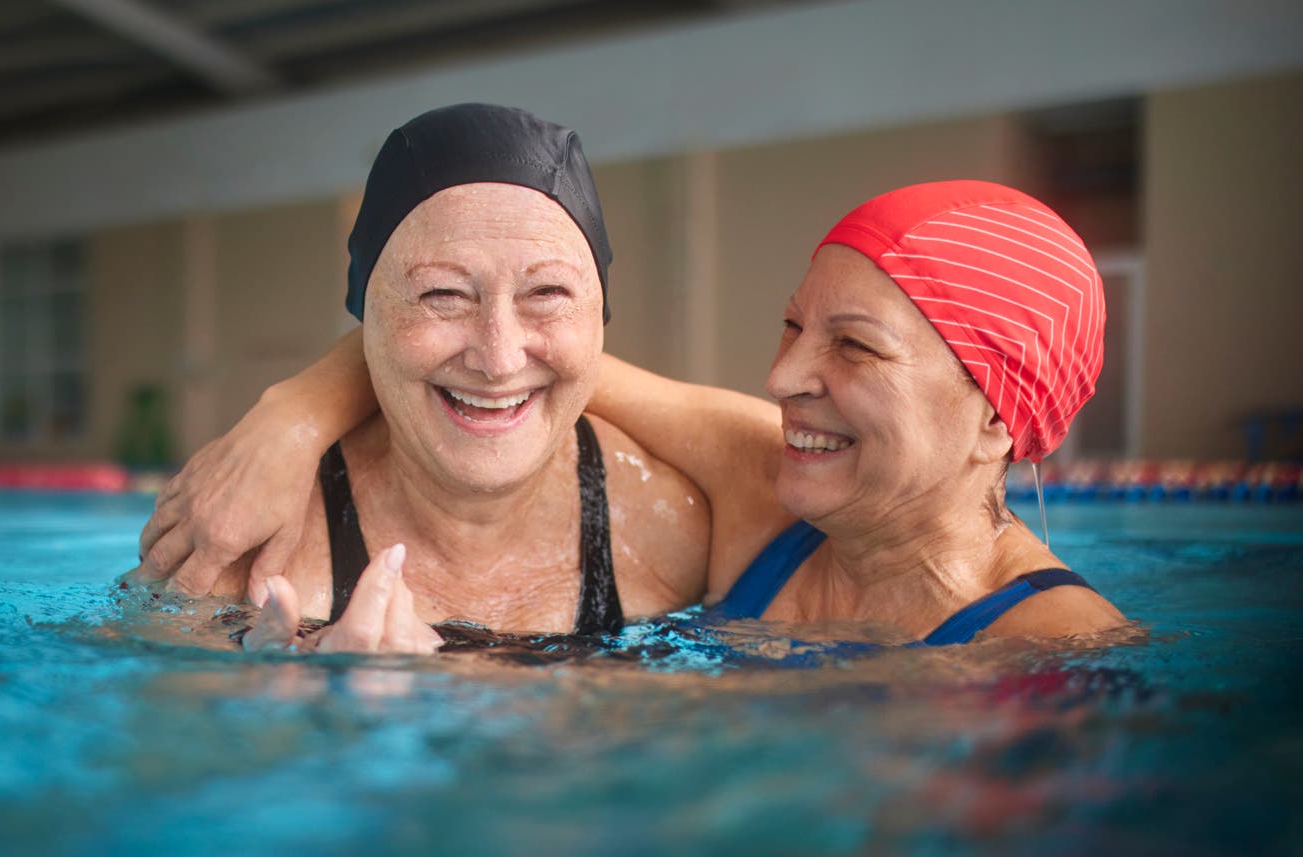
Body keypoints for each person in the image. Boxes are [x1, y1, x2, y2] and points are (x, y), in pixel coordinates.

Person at [140, 180, 1126, 649]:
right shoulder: (762, 483)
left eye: (851, 346)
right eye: (791, 326)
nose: (782, 375)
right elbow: (534, 361)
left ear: (998, 418)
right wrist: (291, 412)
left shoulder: (1059, 651)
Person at [130, 103, 714, 653]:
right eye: (443, 295)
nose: (499, 358)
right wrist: (279, 711)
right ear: (366, 318)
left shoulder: (673, 533)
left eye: (547, 294)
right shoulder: (249, 547)